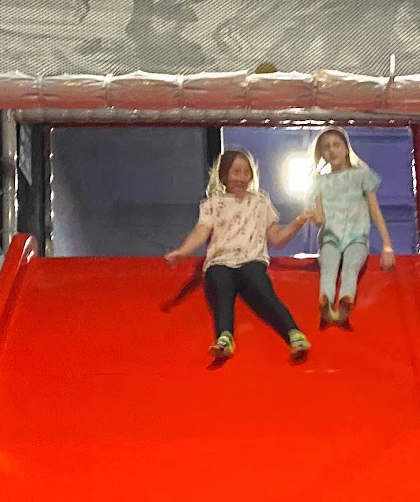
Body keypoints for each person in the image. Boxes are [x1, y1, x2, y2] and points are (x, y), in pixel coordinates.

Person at [165, 148, 314, 360]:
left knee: (265, 293)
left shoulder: (260, 202)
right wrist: (183, 251)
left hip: (251, 260)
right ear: (224, 175)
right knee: (221, 294)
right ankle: (224, 337)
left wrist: (298, 222)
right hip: (220, 261)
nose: (242, 178)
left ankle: (294, 333)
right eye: (236, 172)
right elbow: (201, 231)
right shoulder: (213, 204)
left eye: (246, 172)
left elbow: (277, 239)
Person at [307, 128, 395, 327]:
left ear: (346, 149)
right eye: (326, 147)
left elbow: (375, 211)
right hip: (330, 236)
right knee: (328, 265)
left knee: (351, 266)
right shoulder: (319, 182)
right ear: (322, 154)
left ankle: (345, 301)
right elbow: (320, 217)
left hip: (356, 236)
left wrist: (387, 246)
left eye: (336, 145)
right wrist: (313, 217)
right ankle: (326, 302)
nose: (332, 150)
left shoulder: (361, 175)